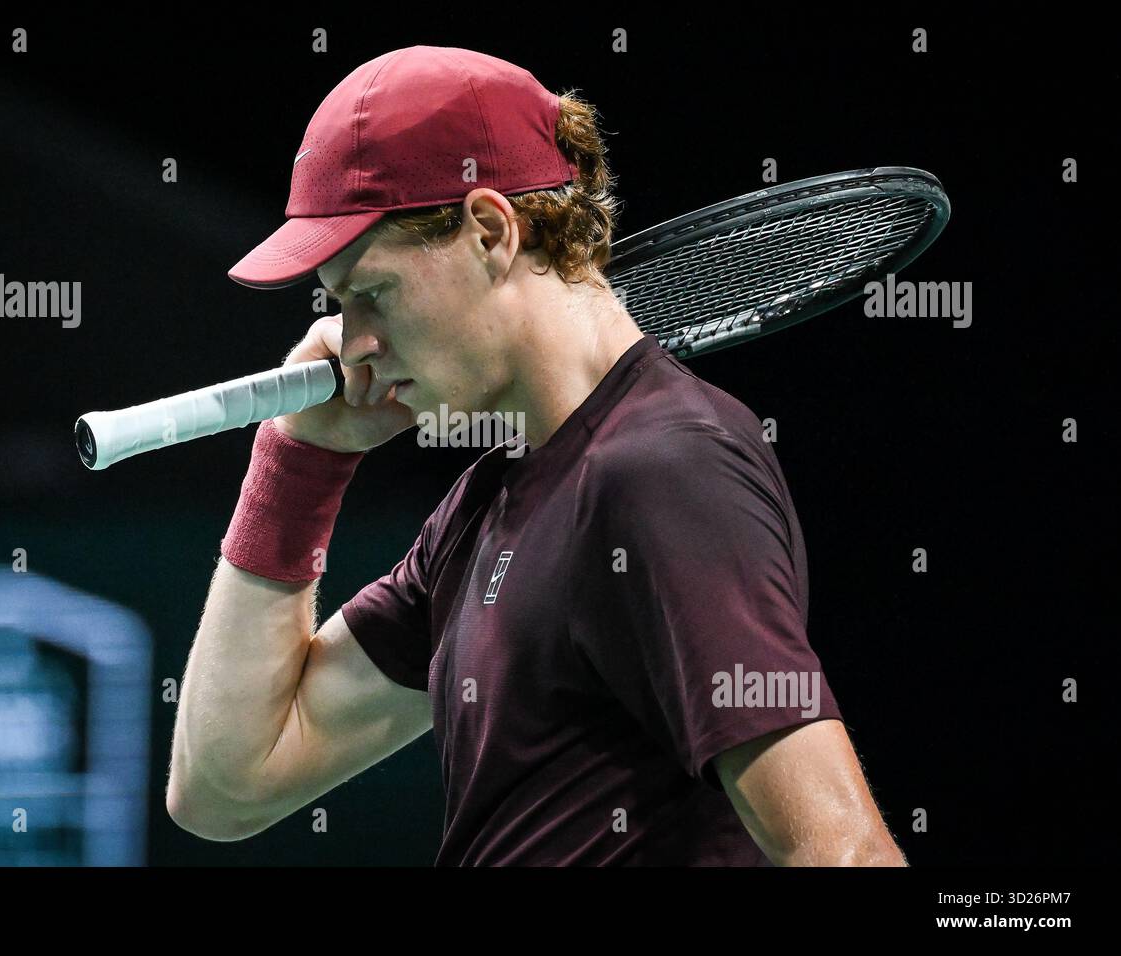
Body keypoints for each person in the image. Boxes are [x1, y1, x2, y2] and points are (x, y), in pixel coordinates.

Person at [167, 45, 905, 865]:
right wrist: (299, 459)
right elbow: (223, 787)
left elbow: (843, 853)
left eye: (369, 294)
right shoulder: (486, 506)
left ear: (490, 229)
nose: (355, 346)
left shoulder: (666, 472)